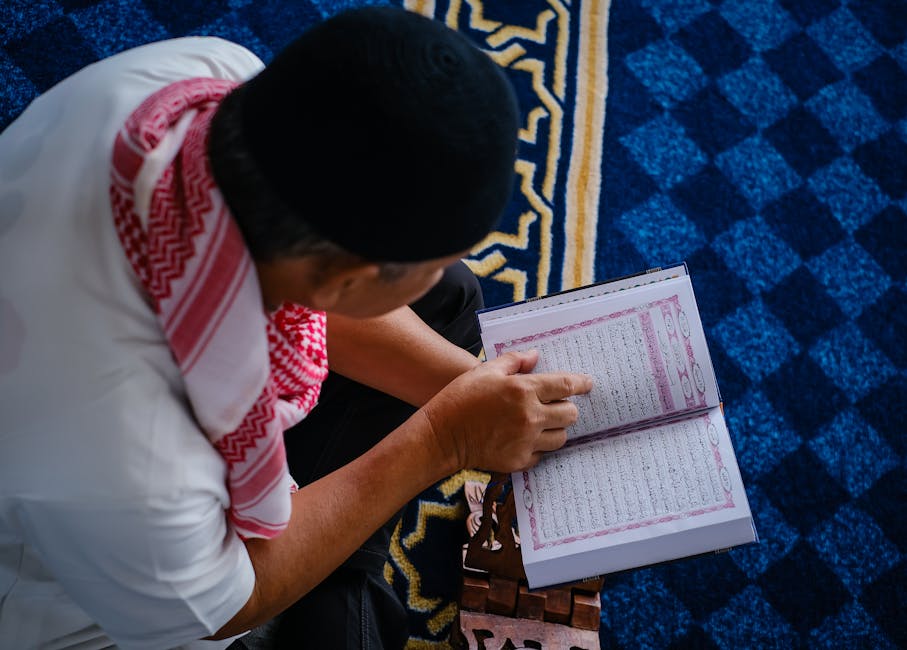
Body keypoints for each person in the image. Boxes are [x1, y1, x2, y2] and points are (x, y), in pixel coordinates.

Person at [0, 7, 592, 649]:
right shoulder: (136, 459)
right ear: (346, 279)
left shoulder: (198, 75)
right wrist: (444, 439)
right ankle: (337, 583)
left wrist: (471, 388)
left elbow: (303, 284)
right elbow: (231, 601)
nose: (446, 262)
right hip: (98, 588)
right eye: (434, 254)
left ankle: (338, 559)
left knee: (447, 301)